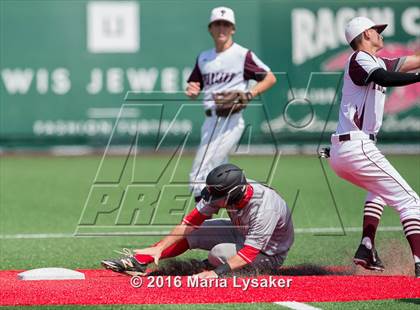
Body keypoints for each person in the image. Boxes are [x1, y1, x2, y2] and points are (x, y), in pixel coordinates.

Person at [328, 16, 420, 277]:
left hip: (348, 148)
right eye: (376, 30)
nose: (381, 34)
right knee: (411, 201)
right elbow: (385, 77)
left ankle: (366, 247)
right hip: (356, 146)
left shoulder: (375, 60)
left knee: (378, 191)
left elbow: (411, 61)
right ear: (365, 34)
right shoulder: (359, 59)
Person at [101, 164, 294, 278]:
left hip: (267, 253)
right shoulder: (229, 190)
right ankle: (139, 263)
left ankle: (209, 267)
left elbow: (249, 253)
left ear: (233, 194)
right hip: (243, 231)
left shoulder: (265, 207)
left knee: (218, 254)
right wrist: (158, 248)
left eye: (217, 196)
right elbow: (189, 223)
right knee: (197, 231)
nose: (211, 199)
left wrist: (216, 273)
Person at [185, 6, 277, 203]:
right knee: (222, 176)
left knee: (200, 174)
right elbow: (195, 85)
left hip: (231, 121)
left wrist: (249, 93)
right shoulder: (204, 58)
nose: (221, 29)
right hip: (209, 122)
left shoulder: (242, 55)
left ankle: (201, 227)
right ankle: (238, 214)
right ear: (210, 29)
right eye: (217, 24)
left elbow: (270, 78)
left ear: (233, 29)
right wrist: (192, 90)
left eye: (226, 25)